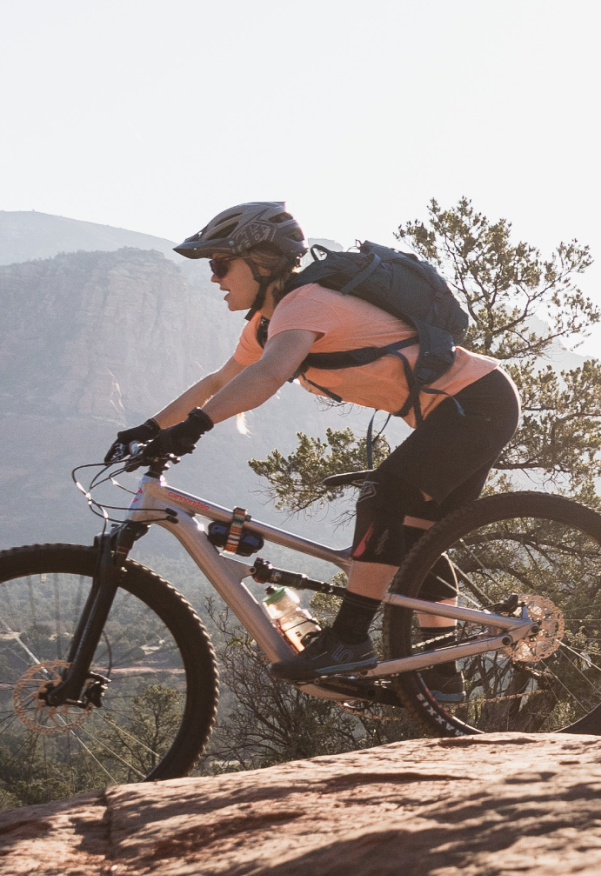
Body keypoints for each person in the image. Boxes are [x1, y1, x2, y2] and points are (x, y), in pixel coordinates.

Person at [111, 201, 520, 681]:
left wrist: (196, 427)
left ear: (262, 263)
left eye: (221, 264)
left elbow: (269, 374)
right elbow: (220, 380)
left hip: (476, 404)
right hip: (459, 410)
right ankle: (441, 678)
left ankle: (349, 640)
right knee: (416, 545)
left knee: (384, 495)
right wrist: (152, 428)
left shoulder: (304, 305)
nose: (214, 278)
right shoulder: (268, 325)